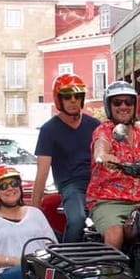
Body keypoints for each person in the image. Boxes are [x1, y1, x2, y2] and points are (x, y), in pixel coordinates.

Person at [86, 80, 140, 249]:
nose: (123, 106)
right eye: (117, 102)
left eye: (128, 102)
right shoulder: (104, 131)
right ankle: (111, 273)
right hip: (109, 202)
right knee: (115, 235)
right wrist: (104, 156)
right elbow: (100, 147)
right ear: (109, 106)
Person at [32, 74, 100, 243]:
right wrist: (34, 207)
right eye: (67, 96)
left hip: (99, 183)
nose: (73, 100)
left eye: (77, 96)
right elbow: (42, 170)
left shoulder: (95, 125)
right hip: (71, 185)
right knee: (77, 220)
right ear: (58, 99)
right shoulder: (49, 130)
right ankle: (67, 262)